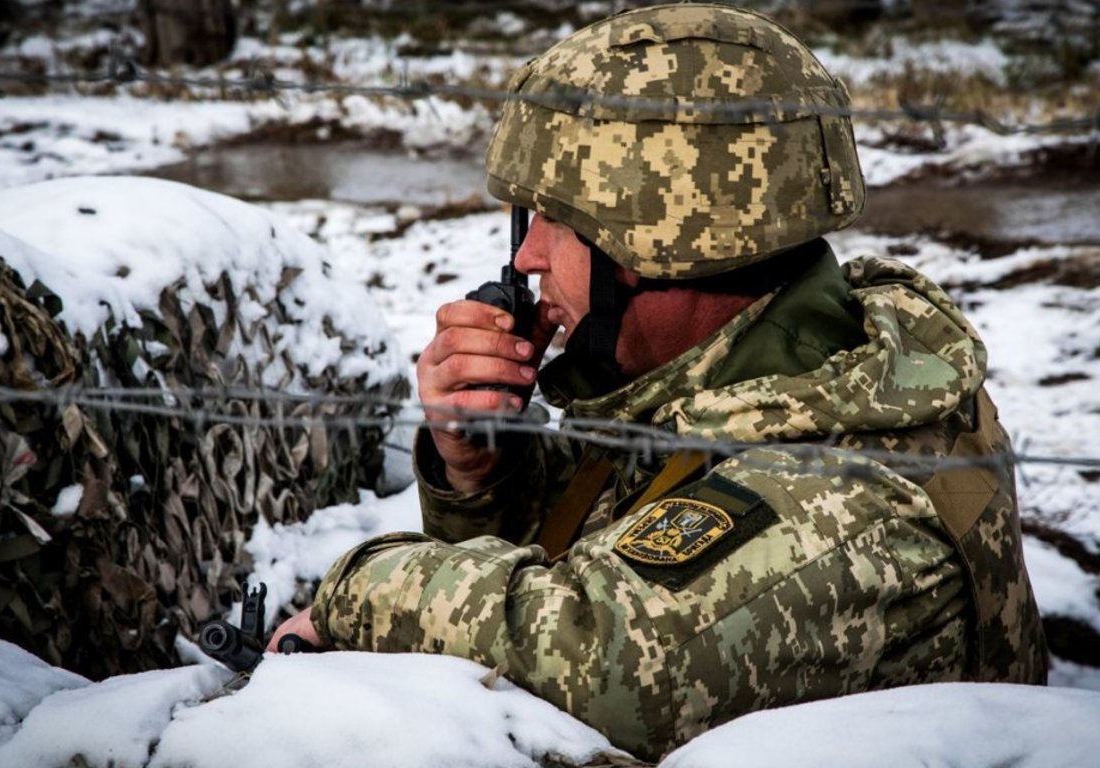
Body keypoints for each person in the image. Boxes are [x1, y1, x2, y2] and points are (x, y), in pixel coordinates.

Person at [271, 3, 1047, 759]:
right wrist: (479, 468)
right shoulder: (729, 379)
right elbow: (586, 552)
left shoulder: (844, 492)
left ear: (657, 247)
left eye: (553, 220)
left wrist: (355, 592)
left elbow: (597, 663)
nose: (528, 258)